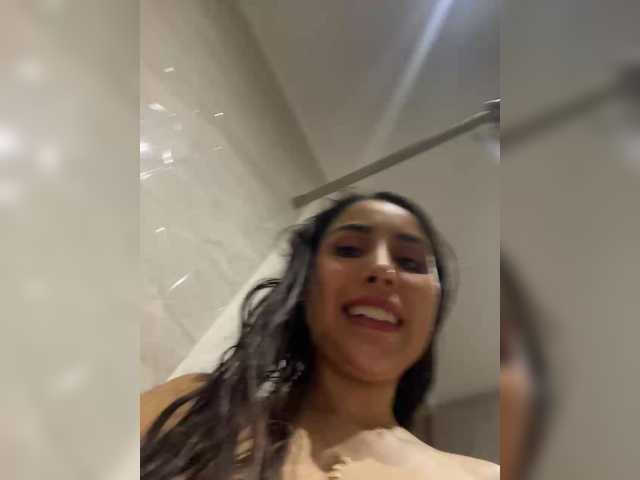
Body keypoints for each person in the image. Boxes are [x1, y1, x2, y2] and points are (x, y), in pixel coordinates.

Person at [141, 191, 500, 479]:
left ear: (432, 312)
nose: (382, 268)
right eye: (348, 249)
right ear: (305, 286)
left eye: (410, 262)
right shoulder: (188, 410)